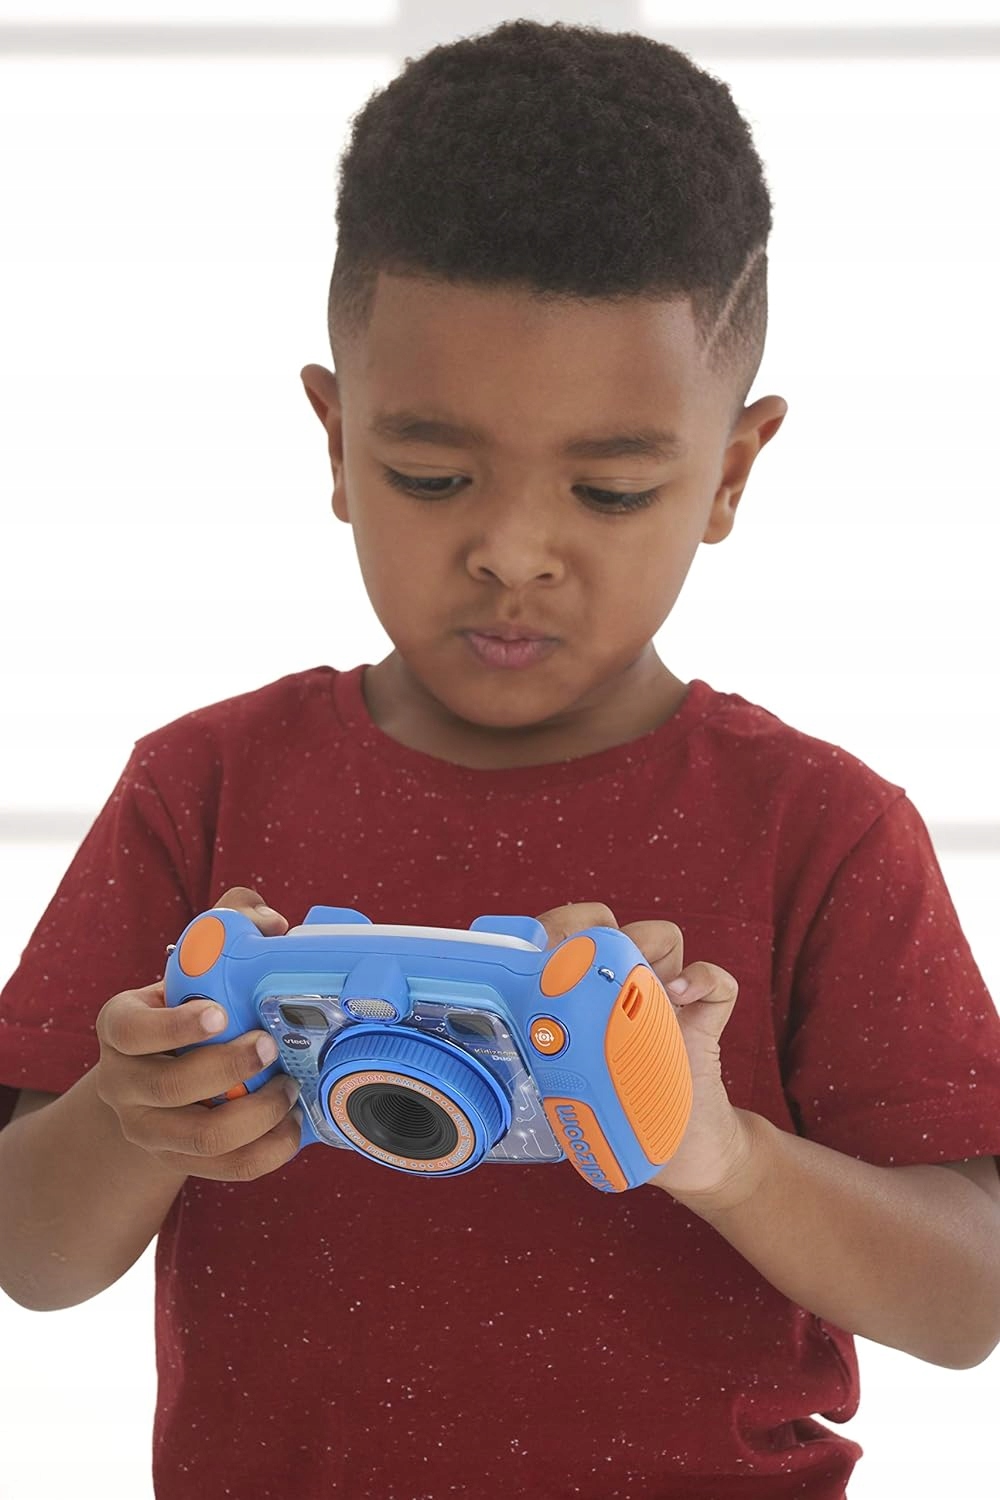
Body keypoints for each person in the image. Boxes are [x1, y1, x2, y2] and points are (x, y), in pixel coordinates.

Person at [1, 17, 999, 1500]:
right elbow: (32, 1256)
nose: (514, 552)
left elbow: (969, 1300)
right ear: (334, 443)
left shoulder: (823, 827)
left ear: (730, 472)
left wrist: (716, 1150)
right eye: (431, 474)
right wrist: (132, 1116)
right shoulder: (197, 788)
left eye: (611, 490)